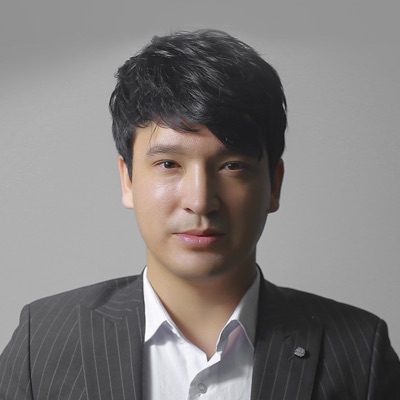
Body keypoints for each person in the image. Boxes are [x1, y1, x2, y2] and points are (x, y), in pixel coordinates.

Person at [0, 29, 399, 400]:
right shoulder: (44, 340)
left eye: (232, 166)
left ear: (273, 185)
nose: (200, 200)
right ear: (128, 180)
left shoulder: (360, 351)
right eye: (169, 164)